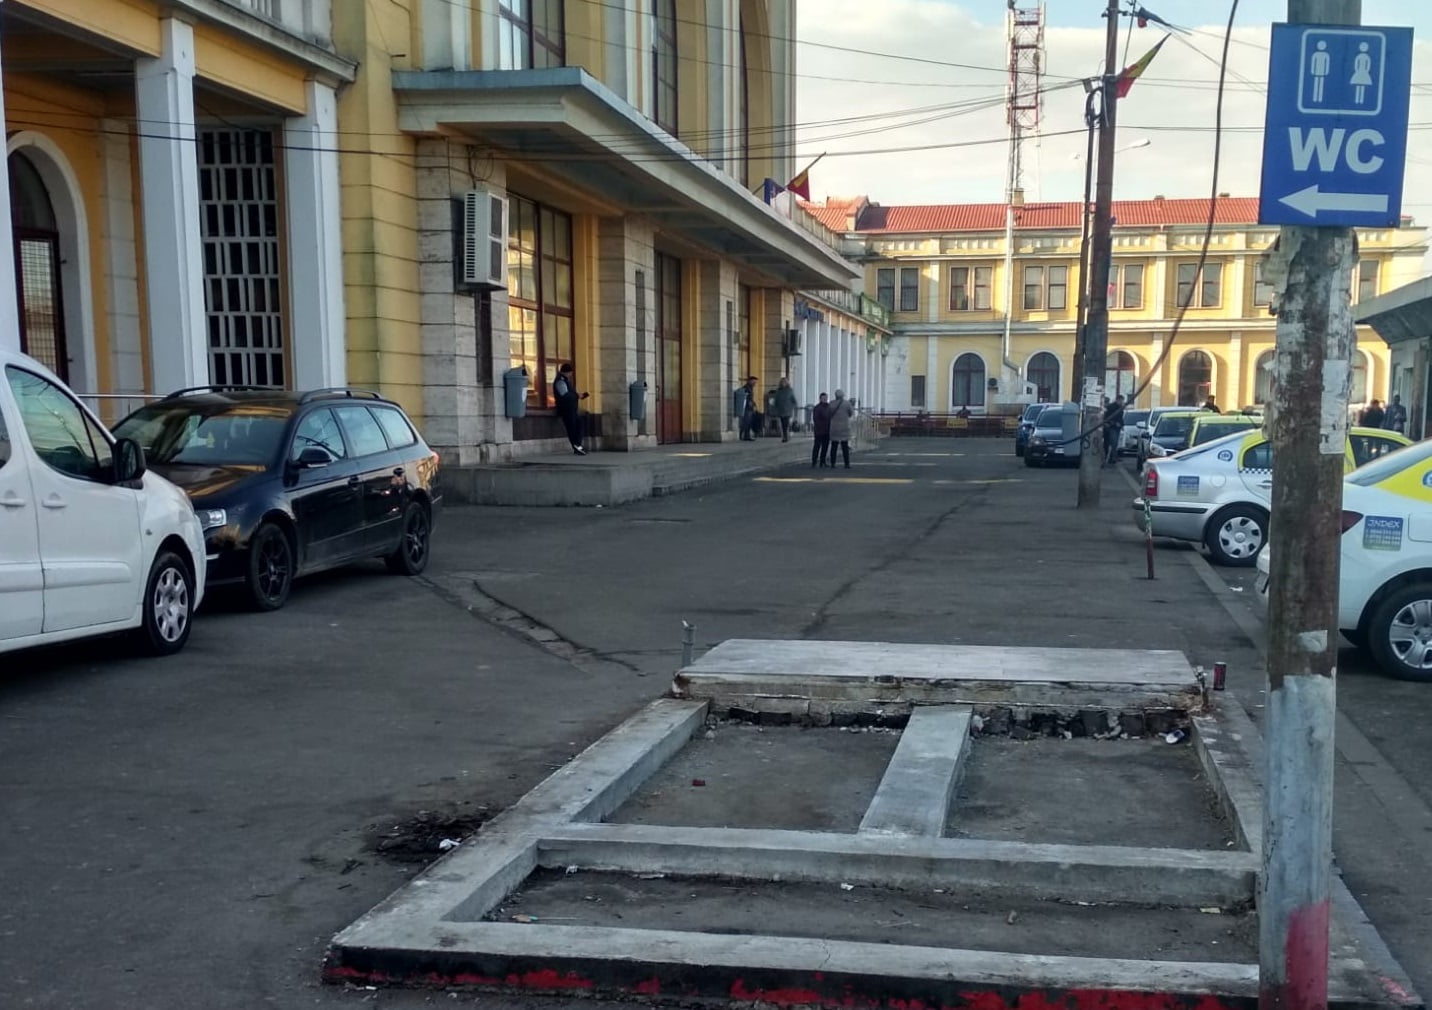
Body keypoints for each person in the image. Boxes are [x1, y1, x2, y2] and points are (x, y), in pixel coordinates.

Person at [552, 362, 589, 455]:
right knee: (572, 428)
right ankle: (576, 446)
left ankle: (578, 445)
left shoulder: (565, 381)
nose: (571, 374)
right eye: (570, 372)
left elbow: (569, 394)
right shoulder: (560, 381)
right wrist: (577, 395)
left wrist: (577, 395)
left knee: (578, 424)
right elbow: (565, 395)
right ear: (567, 372)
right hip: (566, 409)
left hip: (571, 408)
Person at [828, 388, 855, 469]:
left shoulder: (831, 403)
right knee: (845, 446)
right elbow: (851, 413)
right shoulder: (847, 404)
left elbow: (828, 414)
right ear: (842, 395)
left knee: (834, 446)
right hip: (844, 427)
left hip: (834, 427)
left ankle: (833, 463)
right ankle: (846, 463)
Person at [772, 377, 798, 443]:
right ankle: (785, 436)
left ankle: (785, 437)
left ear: (787, 383)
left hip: (787, 410)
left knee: (786, 424)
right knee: (783, 424)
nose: (783, 383)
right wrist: (775, 408)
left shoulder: (790, 390)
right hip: (780, 410)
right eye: (782, 382)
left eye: (785, 382)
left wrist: (793, 407)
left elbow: (794, 401)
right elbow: (776, 400)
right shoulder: (778, 391)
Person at [811, 392, 833, 467]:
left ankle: (822, 461)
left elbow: (831, 417)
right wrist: (820, 427)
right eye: (823, 398)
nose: (825, 399)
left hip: (827, 430)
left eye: (826, 398)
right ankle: (814, 461)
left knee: (825, 447)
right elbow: (816, 419)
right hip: (819, 430)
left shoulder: (829, 407)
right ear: (820, 399)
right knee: (817, 446)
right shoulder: (817, 408)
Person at [1103, 394, 1125, 466]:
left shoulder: (1120, 407)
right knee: (1113, 443)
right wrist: (1115, 423)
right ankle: (1111, 458)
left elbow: (1120, 418)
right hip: (1112, 427)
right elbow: (1107, 417)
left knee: (1115, 443)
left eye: (1122, 401)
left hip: (1117, 428)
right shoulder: (1111, 407)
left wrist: (1121, 424)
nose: (1122, 402)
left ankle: (1113, 457)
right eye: (1121, 400)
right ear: (1117, 400)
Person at [737, 376, 760, 441]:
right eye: (753, 381)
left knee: (748, 422)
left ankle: (747, 436)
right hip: (747, 408)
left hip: (749, 407)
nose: (755, 383)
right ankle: (743, 435)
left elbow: (751, 398)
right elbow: (746, 398)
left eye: (755, 382)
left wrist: (754, 404)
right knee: (746, 422)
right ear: (749, 381)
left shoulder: (750, 388)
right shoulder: (746, 388)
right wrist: (751, 403)